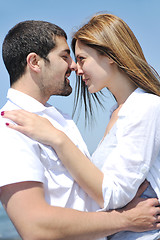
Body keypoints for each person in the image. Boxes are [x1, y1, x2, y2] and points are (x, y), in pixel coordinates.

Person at [2, 14, 160, 240]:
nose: (74, 67)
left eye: (80, 58)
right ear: (35, 62)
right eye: (66, 56)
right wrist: (124, 220)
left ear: (110, 56)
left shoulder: (57, 122)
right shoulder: (12, 125)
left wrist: (57, 138)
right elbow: (34, 227)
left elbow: (104, 193)